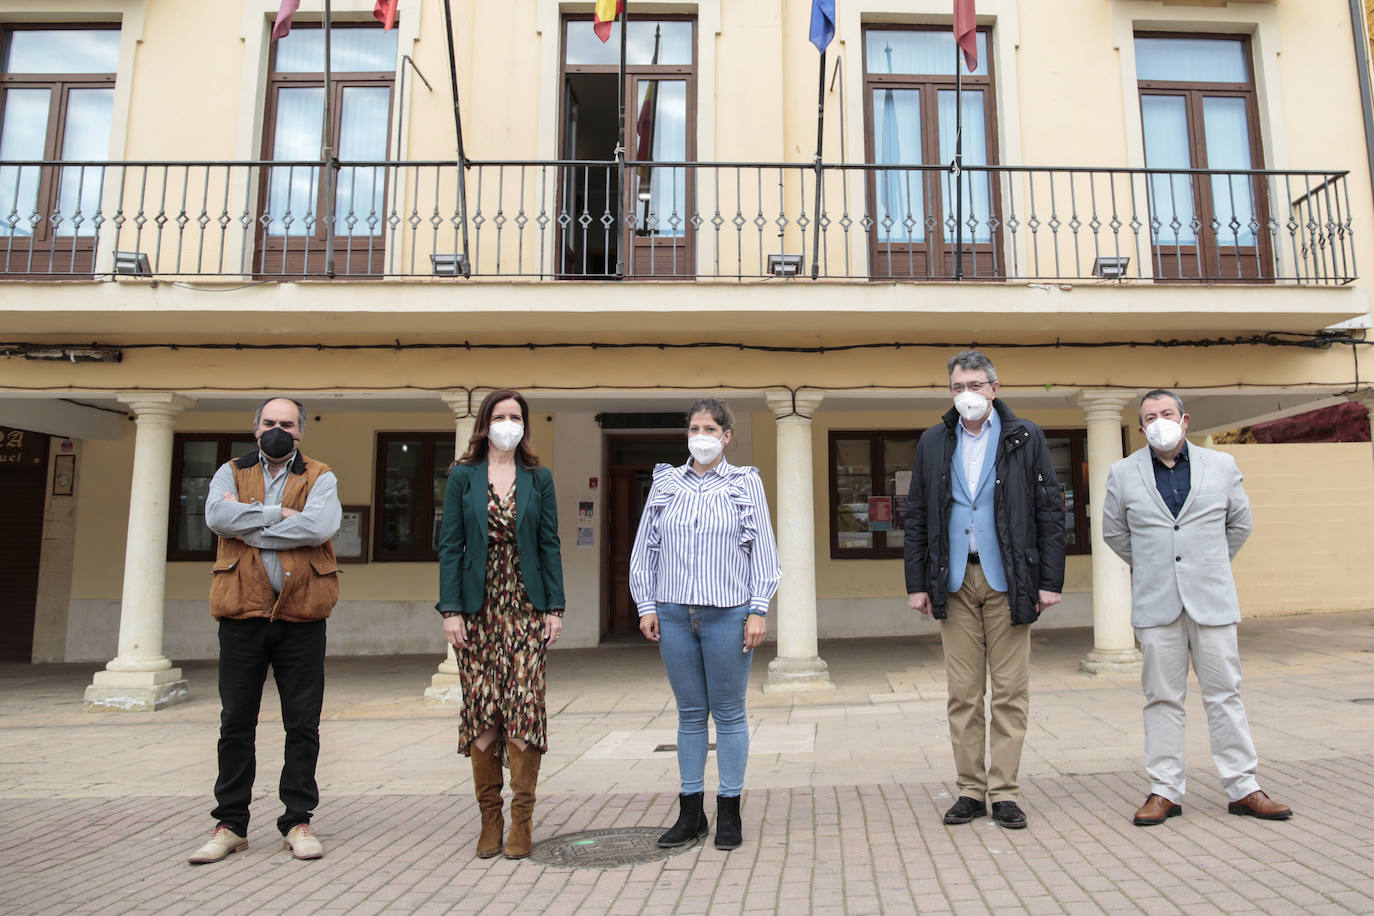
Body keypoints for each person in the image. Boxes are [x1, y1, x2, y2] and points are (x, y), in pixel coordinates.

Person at [1103, 389, 1293, 827]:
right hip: (1156, 604)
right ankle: (1164, 790)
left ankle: (1244, 787)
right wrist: (1156, 566)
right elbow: (1115, 533)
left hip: (1213, 601)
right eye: (1150, 416)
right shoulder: (1122, 472)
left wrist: (1205, 564)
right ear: (1140, 427)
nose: (1159, 421)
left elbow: (1239, 523)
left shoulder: (1221, 465)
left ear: (1184, 420)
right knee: (1161, 699)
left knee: (1225, 695)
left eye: (1167, 413)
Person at [904, 350, 1066, 830]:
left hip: (1009, 579)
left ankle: (1006, 791)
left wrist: (1049, 582)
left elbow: (1049, 512)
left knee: (1010, 691)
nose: (967, 395)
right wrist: (918, 583)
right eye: (958, 388)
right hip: (953, 580)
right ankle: (971, 790)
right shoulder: (934, 440)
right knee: (963, 694)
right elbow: (916, 514)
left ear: (994, 388)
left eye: (975, 385)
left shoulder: (1025, 437)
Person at [188, 397, 342, 865]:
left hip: (302, 617)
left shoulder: (321, 475)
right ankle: (230, 824)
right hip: (241, 616)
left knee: (302, 725)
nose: (279, 430)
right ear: (255, 428)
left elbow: (319, 528)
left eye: (288, 424)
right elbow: (217, 518)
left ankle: (297, 820)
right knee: (236, 722)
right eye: (270, 423)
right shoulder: (228, 472)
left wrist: (247, 522)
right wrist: (278, 516)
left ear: (301, 431)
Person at [629, 398, 780, 851]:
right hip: (674, 613)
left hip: (728, 614)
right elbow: (646, 548)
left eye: (711, 428)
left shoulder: (744, 483)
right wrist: (646, 605)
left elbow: (764, 552)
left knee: (730, 714)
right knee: (691, 714)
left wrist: (758, 609)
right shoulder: (666, 482)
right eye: (695, 427)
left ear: (726, 436)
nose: (702, 435)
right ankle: (690, 812)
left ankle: (729, 811)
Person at [436, 388, 565, 860]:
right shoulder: (463, 476)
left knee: (524, 711)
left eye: (515, 416)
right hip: (477, 608)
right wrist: (450, 610)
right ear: (485, 424)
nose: (507, 423)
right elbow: (450, 545)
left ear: (524, 425)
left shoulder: (539, 477)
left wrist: (555, 608)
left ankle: (522, 821)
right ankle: (490, 819)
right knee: (483, 713)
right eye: (499, 416)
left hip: (527, 608)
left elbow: (549, 544)